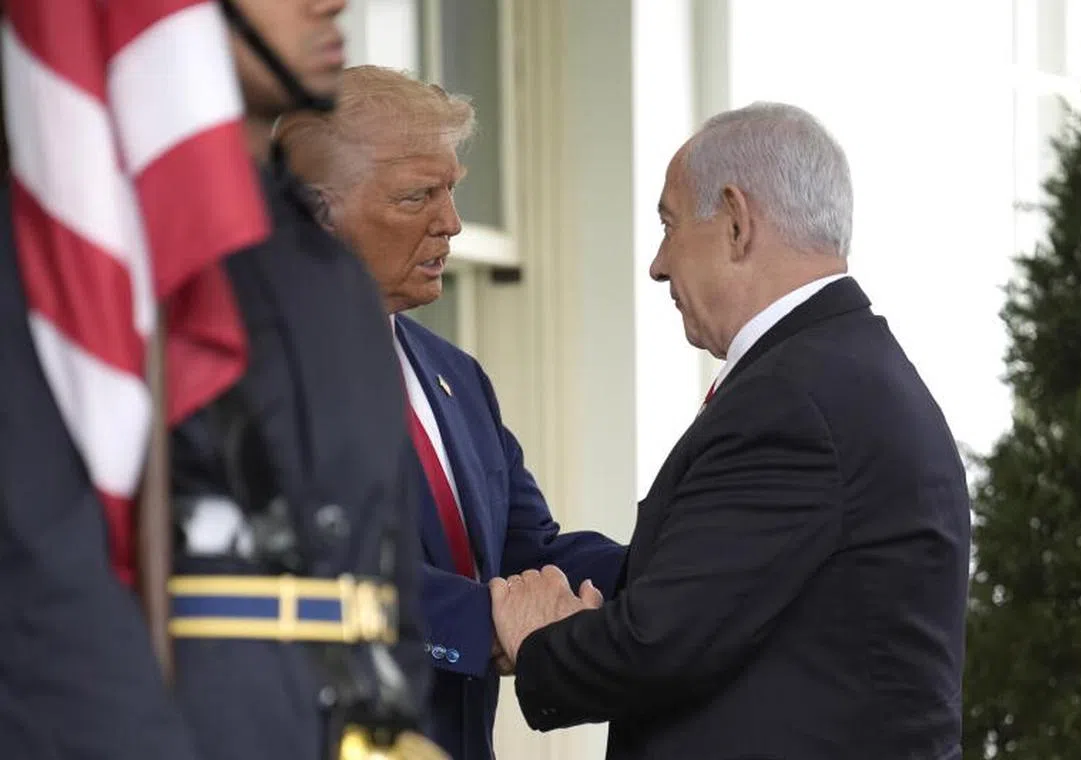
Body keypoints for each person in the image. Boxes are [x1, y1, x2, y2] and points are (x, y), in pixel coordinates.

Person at [489, 103, 972, 760]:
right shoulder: (847, 369)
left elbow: (660, 643)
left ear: (738, 223)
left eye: (668, 224)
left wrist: (534, 634)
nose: (658, 265)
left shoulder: (794, 400)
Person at [275, 65, 626, 760]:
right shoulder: (251, 379)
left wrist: (678, 572)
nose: (452, 223)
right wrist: (491, 622)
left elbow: (530, 552)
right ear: (317, 214)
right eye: (418, 197)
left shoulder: (456, 377)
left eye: (453, 191)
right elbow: (308, 570)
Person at [165, 3, 438, 760]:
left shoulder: (332, 276)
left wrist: (401, 723)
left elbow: (376, 565)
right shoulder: (97, 246)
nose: (331, 4)